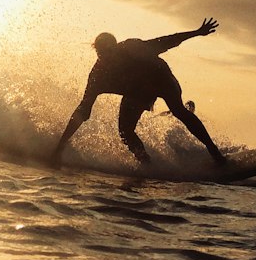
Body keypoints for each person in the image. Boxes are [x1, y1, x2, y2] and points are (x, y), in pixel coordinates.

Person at [49, 17, 226, 166]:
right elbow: (83, 111)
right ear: (96, 51)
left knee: (178, 110)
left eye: (109, 51)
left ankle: (216, 155)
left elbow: (166, 41)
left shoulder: (132, 48)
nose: (106, 57)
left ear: (115, 46)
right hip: (137, 92)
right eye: (101, 53)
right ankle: (147, 164)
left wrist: (196, 32)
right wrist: (59, 147)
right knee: (125, 132)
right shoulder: (98, 75)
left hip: (161, 78)